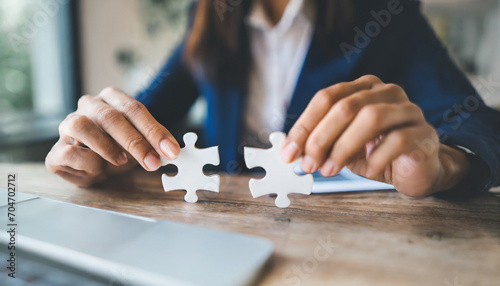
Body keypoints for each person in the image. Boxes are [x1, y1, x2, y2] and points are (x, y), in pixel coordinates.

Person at [46, 0, 500, 198]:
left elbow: (474, 120)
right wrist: (101, 144)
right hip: (227, 228)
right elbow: (148, 116)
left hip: (338, 238)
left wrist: (445, 165)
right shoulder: (210, 15)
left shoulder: (386, 11)